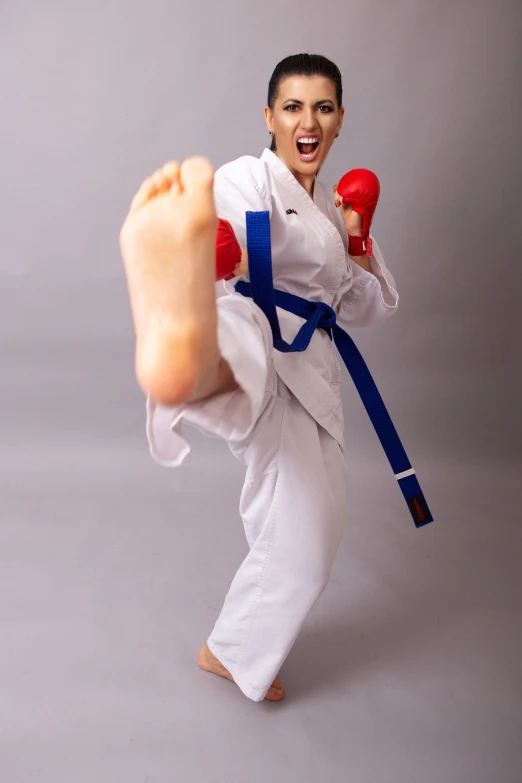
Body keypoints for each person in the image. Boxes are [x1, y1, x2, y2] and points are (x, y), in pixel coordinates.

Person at [119, 53, 399, 703]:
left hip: (312, 374)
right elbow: (246, 239)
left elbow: (364, 308)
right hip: (251, 325)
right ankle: (182, 337)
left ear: (339, 122)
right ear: (270, 117)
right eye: (294, 106)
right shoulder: (250, 178)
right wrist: (218, 248)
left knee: (310, 545)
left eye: (323, 108)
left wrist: (356, 238)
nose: (309, 120)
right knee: (236, 341)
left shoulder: (329, 211)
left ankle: (231, 647)